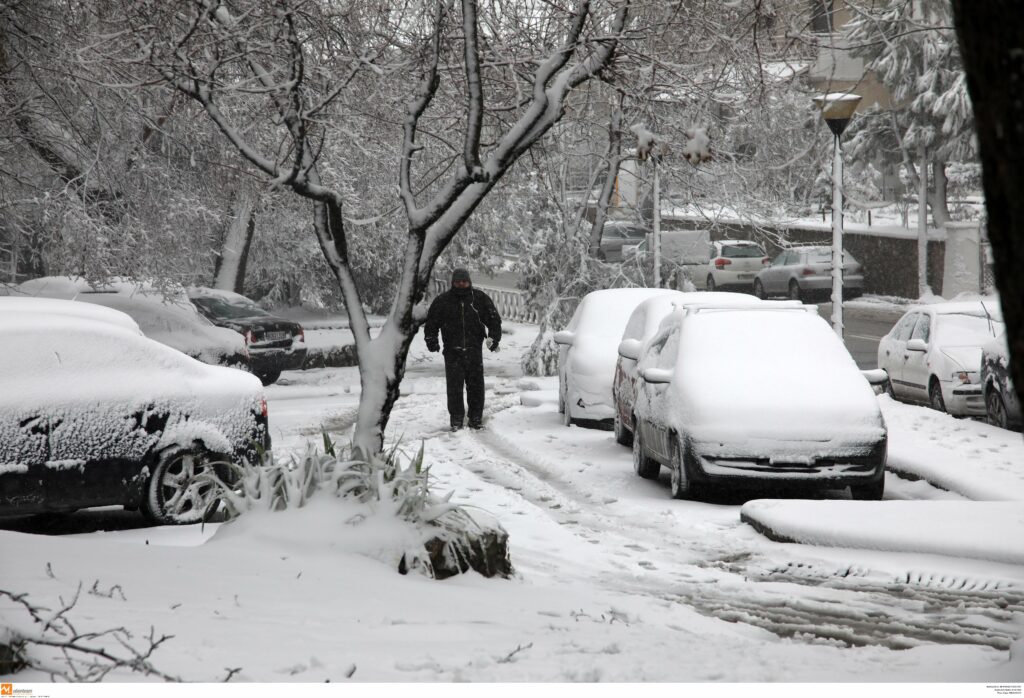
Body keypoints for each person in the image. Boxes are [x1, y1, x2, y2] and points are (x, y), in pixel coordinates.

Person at [424, 268, 502, 431]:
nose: (461, 284)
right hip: (452, 351)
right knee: (454, 387)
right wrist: (432, 340)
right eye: (458, 281)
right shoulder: (443, 301)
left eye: (464, 281)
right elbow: (432, 322)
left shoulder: (478, 299)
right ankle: (456, 418)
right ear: (453, 282)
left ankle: (475, 417)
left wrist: (493, 338)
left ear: (469, 282)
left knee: (476, 386)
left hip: (474, 350)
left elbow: (494, 320)